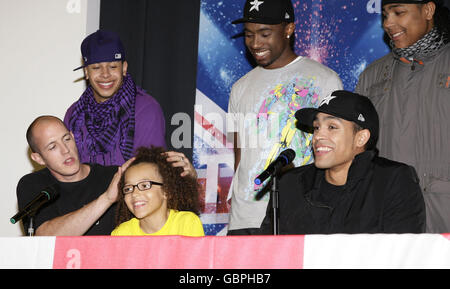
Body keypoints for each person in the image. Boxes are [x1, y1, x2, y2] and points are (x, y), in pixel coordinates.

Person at [227, 0, 343, 235]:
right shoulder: (240, 87)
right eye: (249, 35)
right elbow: (240, 151)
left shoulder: (325, 80)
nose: (255, 43)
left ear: (288, 29)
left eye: (264, 33)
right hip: (246, 218)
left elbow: (338, 152)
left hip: (302, 212)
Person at [259, 90, 426, 234]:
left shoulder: (394, 182)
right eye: (316, 127)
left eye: (332, 127)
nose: (318, 137)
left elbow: (404, 255)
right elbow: (269, 252)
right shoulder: (291, 184)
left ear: (361, 138)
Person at [355, 0, 450, 233]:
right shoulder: (372, 75)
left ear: (428, 10)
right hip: (386, 217)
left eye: (399, 12)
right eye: (385, 15)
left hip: (442, 215)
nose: (388, 23)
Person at [16, 116, 196, 236]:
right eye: (52, 147)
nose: (65, 150)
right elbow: (45, 237)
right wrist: (107, 199)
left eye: (67, 139)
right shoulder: (34, 185)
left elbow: (166, 208)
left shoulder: (113, 175)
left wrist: (189, 177)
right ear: (37, 157)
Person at [65, 29, 166, 166]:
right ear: (86, 72)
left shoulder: (146, 109)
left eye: (112, 66)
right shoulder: (74, 114)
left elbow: (151, 172)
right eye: (96, 68)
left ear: (124, 68)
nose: (105, 74)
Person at [112, 147, 204, 236]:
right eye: (128, 189)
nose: (134, 194)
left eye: (144, 185)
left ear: (166, 191)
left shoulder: (186, 223)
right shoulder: (122, 233)